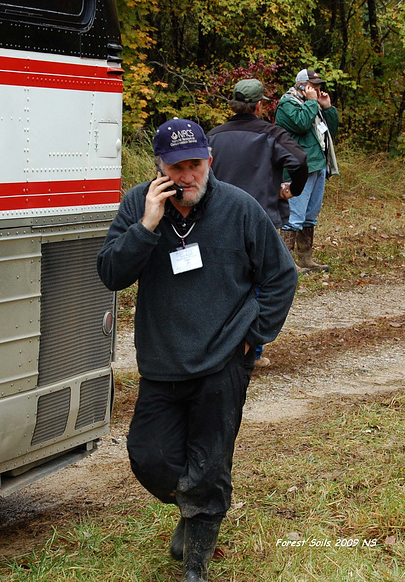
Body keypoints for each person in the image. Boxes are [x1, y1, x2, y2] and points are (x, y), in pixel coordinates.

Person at [96, 118, 297, 582]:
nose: (187, 176)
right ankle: (194, 508)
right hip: (163, 361)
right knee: (149, 457)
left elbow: (281, 276)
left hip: (224, 360)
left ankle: (196, 565)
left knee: (210, 460)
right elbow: (110, 273)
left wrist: (254, 336)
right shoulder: (138, 206)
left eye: (195, 164)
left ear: (210, 161)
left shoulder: (240, 208)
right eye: (176, 166)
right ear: (159, 167)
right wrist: (146, 226)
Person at [208, 78, 308, 368]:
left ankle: (219, 345)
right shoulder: (273, 135)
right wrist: (293, 189)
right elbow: (300, 161)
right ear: (260, 105)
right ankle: (252, 350)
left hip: (218, 219)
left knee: (222, 280)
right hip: (261, 220)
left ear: (234, 104)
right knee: (262, 282)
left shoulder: (213, 136)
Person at [275, 69, 340, 271]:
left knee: (311, 215)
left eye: (319, 86)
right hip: (298, 167)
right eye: (314, 86)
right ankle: (286, 264)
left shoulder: (313, 105)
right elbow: (301, 124)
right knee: (294, 215)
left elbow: (332, 131)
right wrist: (313, 102)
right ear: (302, 85)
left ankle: (305, 259)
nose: (318, 90)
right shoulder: (287, 104)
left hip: (317, 164)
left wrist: (327, 108)